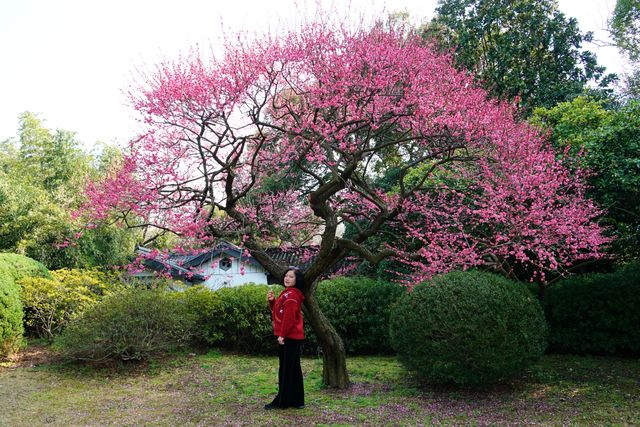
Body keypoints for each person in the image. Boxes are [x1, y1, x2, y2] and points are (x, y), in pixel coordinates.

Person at [264, 267, 305, 410]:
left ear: (297, 280)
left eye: (291, 277)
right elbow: (279, 311)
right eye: (286, 276)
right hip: (291, 336)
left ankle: (283, 401)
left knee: (286, 370)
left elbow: (289, 318)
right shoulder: (288, 293)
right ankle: (297, 401)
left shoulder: (292, 295)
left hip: (289, 337)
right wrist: (272, 301)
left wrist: (282, 335)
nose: (287, 278)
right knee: (293, 369)